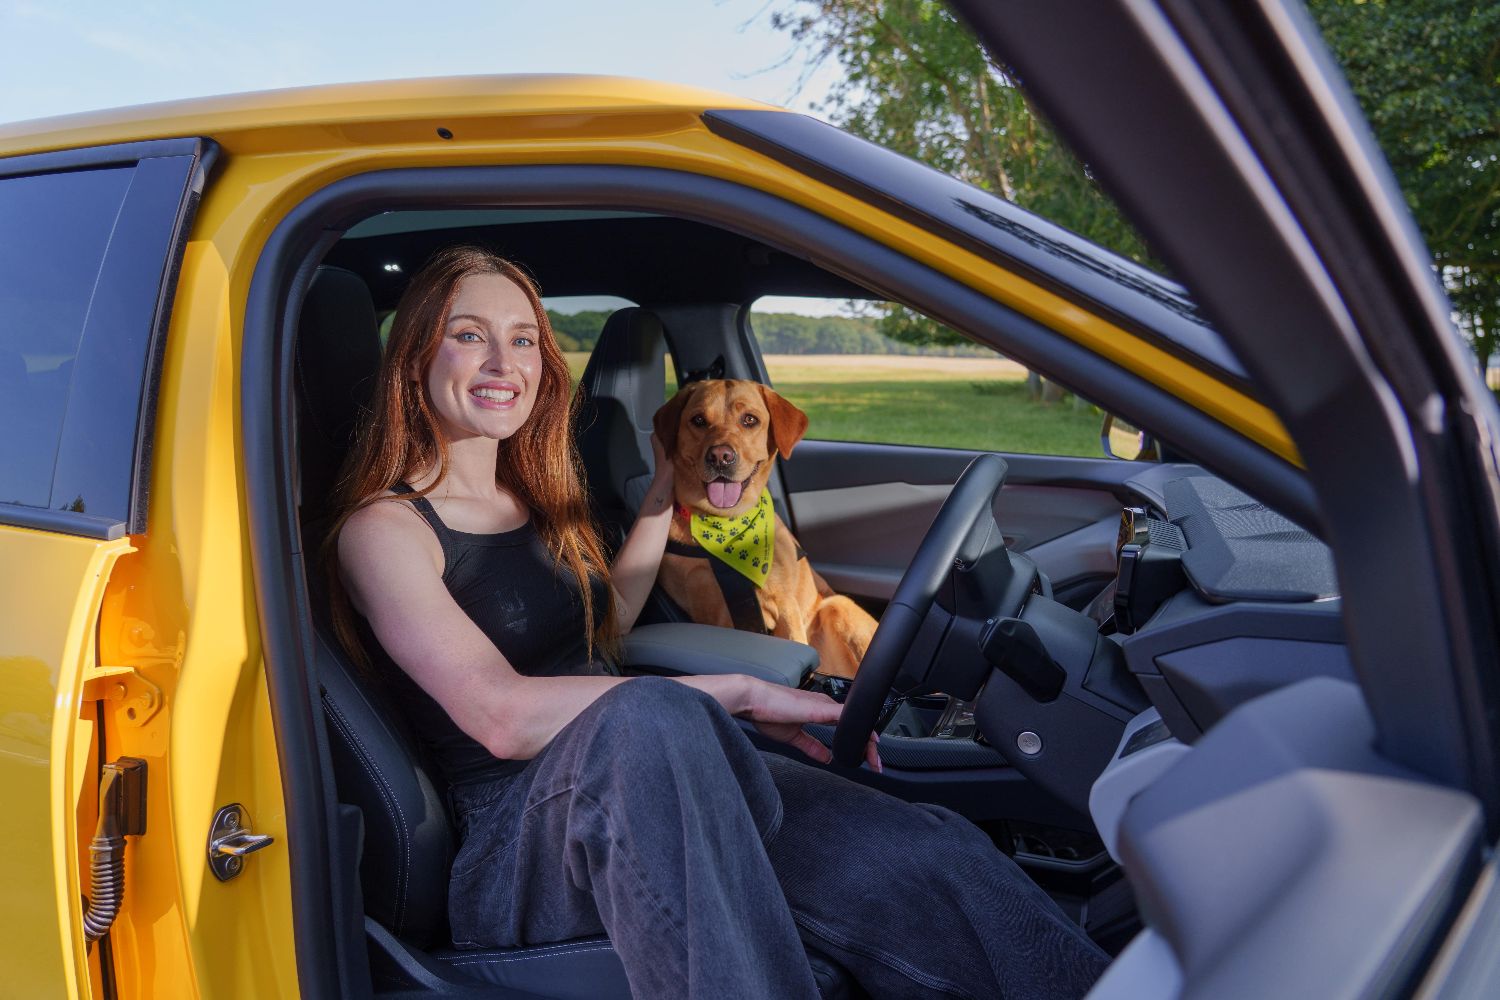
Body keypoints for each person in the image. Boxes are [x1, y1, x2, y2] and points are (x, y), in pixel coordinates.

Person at [328, 245, 1109, 999]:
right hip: (519, 843)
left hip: (651, 774)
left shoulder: (533, 500)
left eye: (524, 339)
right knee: (652, 716)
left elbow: (608, 621)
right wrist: (736, 692)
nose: (505, 362)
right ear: (415, 357)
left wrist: (663, 488)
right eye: (470, 336)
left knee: (924, 846)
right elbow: (498, 716)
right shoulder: (384, 531)